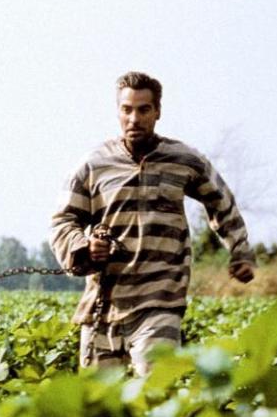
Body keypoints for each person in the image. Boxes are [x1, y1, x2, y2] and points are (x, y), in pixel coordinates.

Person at [50, 71, 255, 375]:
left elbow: (221, 202)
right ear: (118, 111)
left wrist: (240, 252)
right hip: (104, 305)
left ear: (157, 112)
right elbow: (63, 220)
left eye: (143, 109)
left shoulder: (184, 160)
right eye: (126, 109)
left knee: (157, 388)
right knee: (96, 407)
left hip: (161, 300)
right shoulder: (94, 165)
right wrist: (84, 247)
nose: (134, 118)